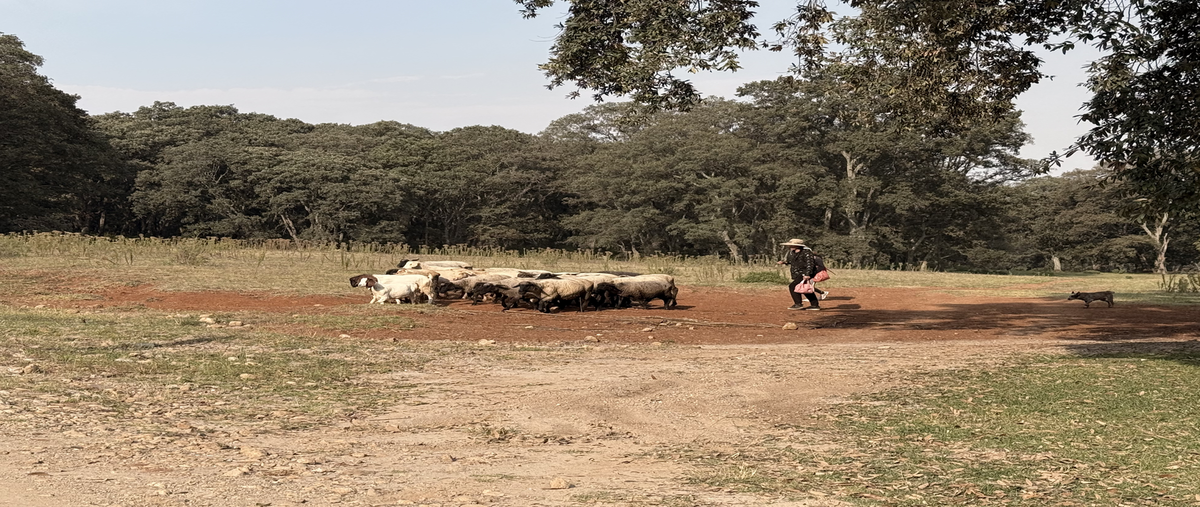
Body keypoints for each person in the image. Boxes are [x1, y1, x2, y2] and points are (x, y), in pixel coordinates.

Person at [776, 238, 821, 310]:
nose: (790, 246)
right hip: (798, 273)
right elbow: (796, 262)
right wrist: (785, 262)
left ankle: (798, 304)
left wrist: (807, 274)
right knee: (804, 288)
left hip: (804, 273)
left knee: (792, 286)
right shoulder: (794, 253)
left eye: (792, 245)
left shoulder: (806, 252)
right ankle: (814, 305)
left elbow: (810, 264)